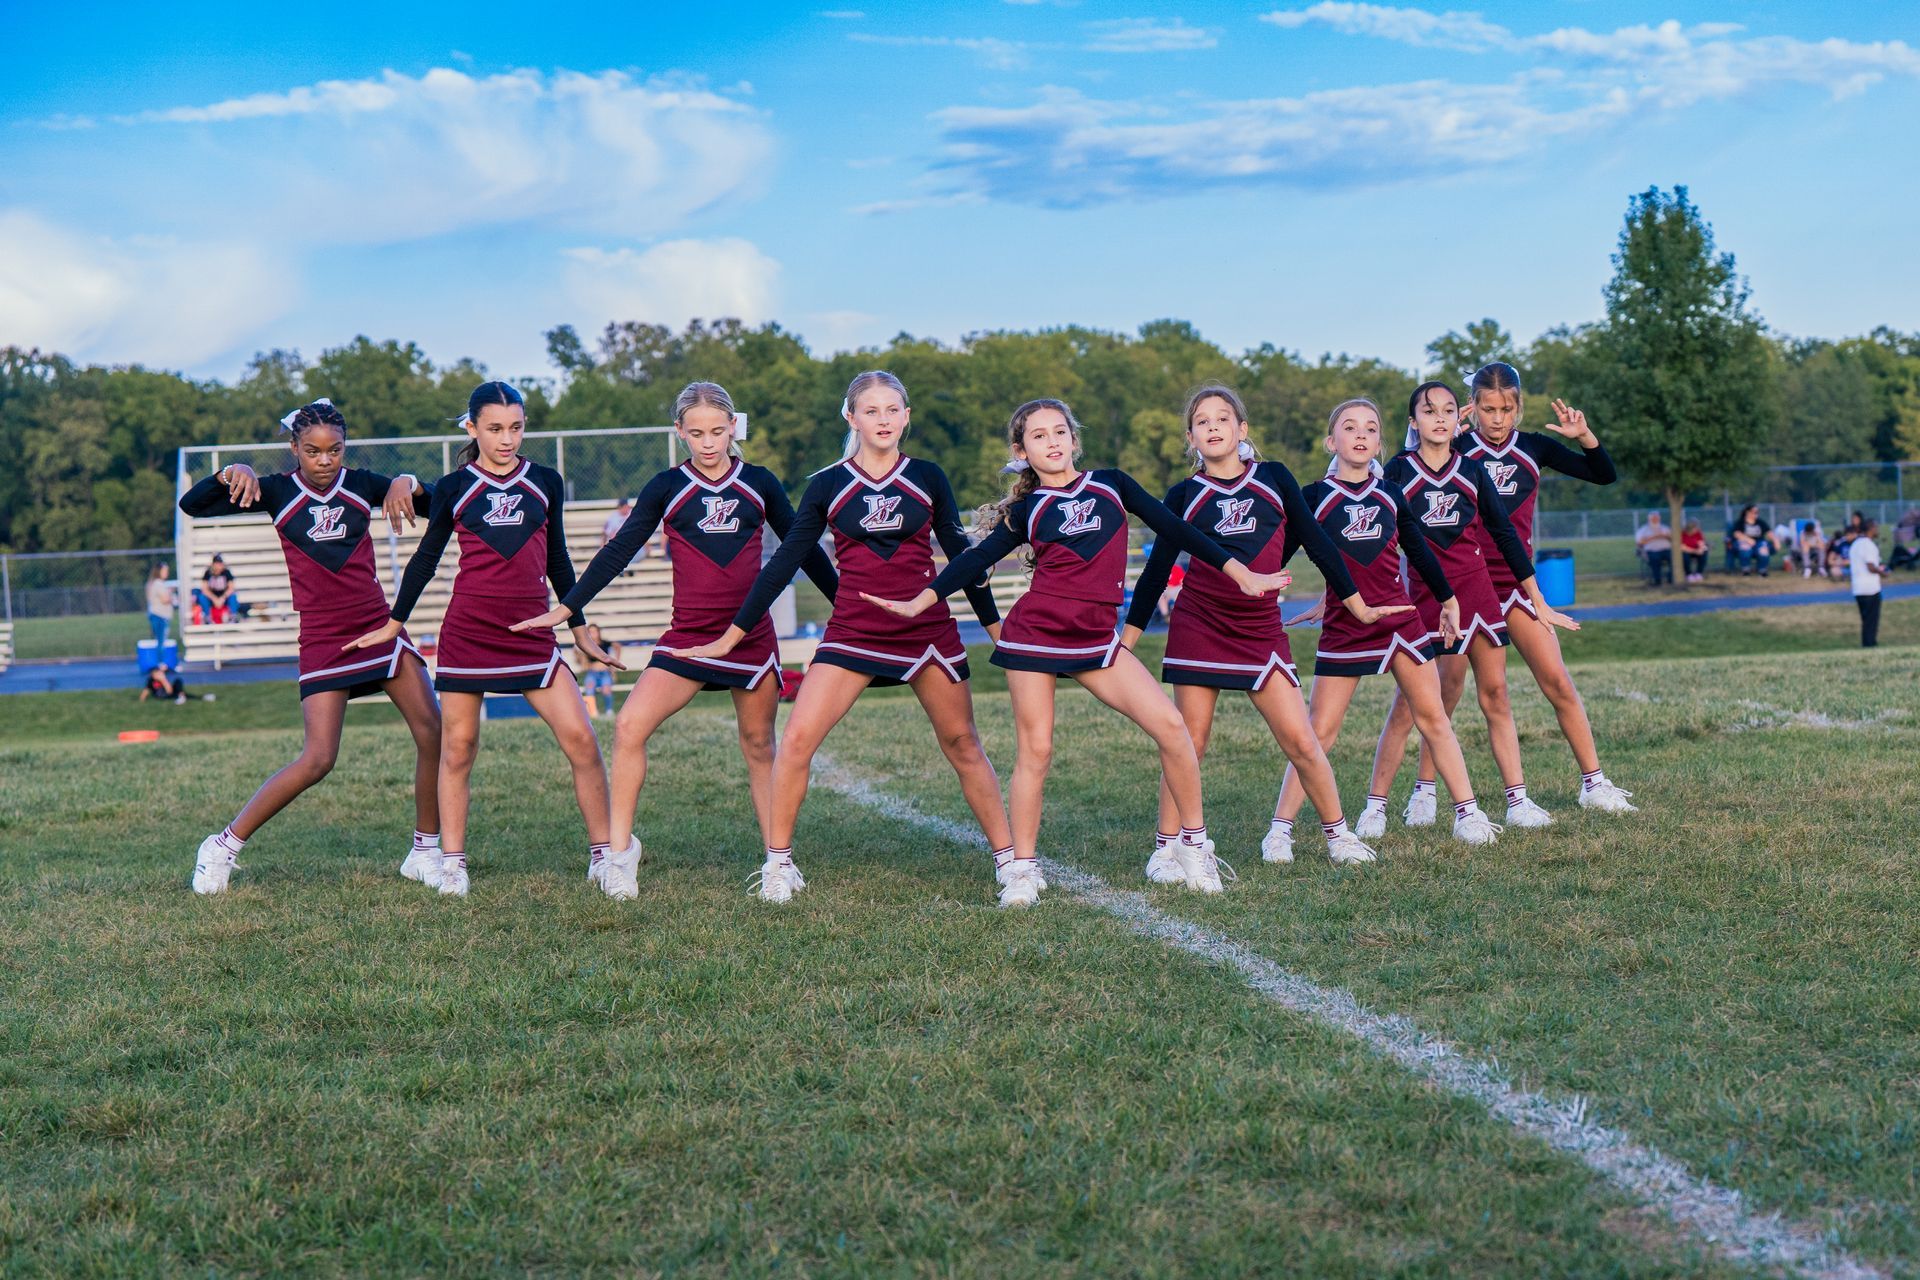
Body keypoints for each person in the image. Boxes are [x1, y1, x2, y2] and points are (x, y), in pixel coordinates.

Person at [860, 397, 1294, 897]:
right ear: (1021, 451)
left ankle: (1192, 849)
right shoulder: (1027, 508)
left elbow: (1177, 529)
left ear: (1073, 438)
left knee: (1173, 729)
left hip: (1095, 639)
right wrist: (925, 598)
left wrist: (1237, 570)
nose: (1052, 442)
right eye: (1039, 436)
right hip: (1036, 637)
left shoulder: (1113, 484)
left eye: (1059, 432)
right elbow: (975, 557)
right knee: (1036, 751)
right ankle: (1022, 871)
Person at [661, 371, 1024, 905]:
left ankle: (1011, 864)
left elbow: (963, 557)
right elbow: (786, 559)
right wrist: (732, 633)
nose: (883, 420)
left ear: (906, 416)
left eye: (892, 409)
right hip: (853, 631)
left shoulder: (927, 476)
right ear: (851, 418)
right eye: (870, 411)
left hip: (925, 632)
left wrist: (996, 632)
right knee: (799, 740)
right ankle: (778, 866)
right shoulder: (829, 484)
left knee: (963, 743)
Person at [511, 381, 840, 900]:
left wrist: (843, 602)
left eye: (717, 431)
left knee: (759, 745)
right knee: (629, 726)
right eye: (696, 433)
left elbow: (803, 549)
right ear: (679, 433)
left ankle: (779, 863)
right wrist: (569, 605)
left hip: (748, 637)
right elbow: (620, 550)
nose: (708, 443)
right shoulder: (667, 486)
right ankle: (620, 855)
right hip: (687, 638)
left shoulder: (759, 482)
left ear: (733, 428)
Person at [1121, 386, 1412, 873]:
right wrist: (1128, 640)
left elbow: (1318, 542)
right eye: (1202, 421)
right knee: (1188, 742)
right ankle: (1165, 849)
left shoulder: (1275, 478)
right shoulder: (1183, 495)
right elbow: (1156, 572)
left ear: (1242, 430)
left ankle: (1338, 835)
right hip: (1201, 623)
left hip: (1260, 629)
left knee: (1302, 740)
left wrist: (1356, 604)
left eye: (1223, 418)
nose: (1213, 427)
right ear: (1191, 436)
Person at [346, 381, 618, 898]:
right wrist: (393, 621)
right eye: (495, 428)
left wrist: (577, 626)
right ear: (472, 429)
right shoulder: (454, 487)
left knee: (582, 740)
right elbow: (425, 558)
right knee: (459, 747)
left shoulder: (546, 481)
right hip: (469, 635)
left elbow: (558, 557)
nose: (507, 438)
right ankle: (453, 863)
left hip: (532, 636)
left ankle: (604, 855)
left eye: (516, 427)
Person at [177, 398, 443, 894]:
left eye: (335, 450)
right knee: (319, 759)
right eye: (314, 451)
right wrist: (230, 472)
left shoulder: (363, 484)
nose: (325, 460)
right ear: (294, 448)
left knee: (433, 731)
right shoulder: (275, 491)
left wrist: (410, 480)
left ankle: (425, 850)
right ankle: (222, 846)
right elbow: (192, 505)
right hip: (323, 636)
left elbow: (435, 506)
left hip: (378, 628)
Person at [1273, 398, 1498, 854]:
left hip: (1401, 619)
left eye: (1371, 429)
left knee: (1433, 718)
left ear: (1380, 442)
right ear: (1330, 440)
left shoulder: (1392, 494)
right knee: (1319, 732)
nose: (1360, 435)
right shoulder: (1312, 497)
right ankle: (1279, 831)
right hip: (1345, 623)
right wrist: (1259, 583)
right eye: (1350, 427)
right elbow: (1276, 554)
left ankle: (1468, 814)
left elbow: (1419, 551)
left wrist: (1449, 601)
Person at [1361, 380, 1583, 837]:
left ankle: (1517, 800)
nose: (1439, 418)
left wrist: (1537, 601)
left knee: (1496, 695)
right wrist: (1348, 594)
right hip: (1425, 598)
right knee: (1412, 702)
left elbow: (1505, 536)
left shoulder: (1471, 468)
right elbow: (1370, 534)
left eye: (1447, 410)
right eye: (1428, 411)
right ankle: (1379, 806)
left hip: (1477, 594)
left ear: (1455, 418)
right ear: (1413, 422)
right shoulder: (1397, 471)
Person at [1450, 363, 1635, 814]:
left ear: (1518, 407)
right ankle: (1424, 792)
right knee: (1448, 695)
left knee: (1557, 681)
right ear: (1473, 408)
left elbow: (1603, 474)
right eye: (1488, 409)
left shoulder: (1533, 447)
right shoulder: (1454, 448)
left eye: (1507, 409)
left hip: (1518, 584)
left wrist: (1584, 436)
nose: (1497, 418)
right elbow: (1405, 480)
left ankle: (1594, 784)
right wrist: (1438, 434)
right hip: (1465, 585)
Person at [1850, 519, 1887, 647]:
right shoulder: (1868, 545)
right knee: (1871, 620)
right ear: (1870, 528)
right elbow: (1870, 566)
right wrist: (1882, 572)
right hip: (1870, 588)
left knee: (1866, 620)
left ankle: (1867, 644)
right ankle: (1870, 645)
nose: (1877, 530)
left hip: (1858, 588)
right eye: (1876, 527)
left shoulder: (1855, 544)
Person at [576, 624, 619, 717]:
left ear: (599, 632)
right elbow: (582, 663)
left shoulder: (604, 643)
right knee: (589, 689)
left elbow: (617, 646)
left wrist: (615, 663)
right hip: (592, 672)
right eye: (590, 632)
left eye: (595, 631)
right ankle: (593, 711)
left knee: (606, 690)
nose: (593, 634)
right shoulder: (586, 646)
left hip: (605, 672)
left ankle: (609, 710)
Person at [195, 553, 241, 623]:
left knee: (233, 596)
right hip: (212, 598)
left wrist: (222, 598)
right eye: (217, 564)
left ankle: (233, 617)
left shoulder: (226, 572)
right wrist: (214, 599)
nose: (219, 566)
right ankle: (208, 617)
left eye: (220, 564)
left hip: (224, 598)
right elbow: (204, 589)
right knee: (202, 597)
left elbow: (231, 588)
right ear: (213, 564)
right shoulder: (208, 573)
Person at [1729, 505, 1774, 576]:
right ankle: (1746, 570)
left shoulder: (1760, 522)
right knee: (1745, 547)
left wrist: (1776, 541)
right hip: (1743, 542)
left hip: (1758, 543)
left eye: (1757, 512)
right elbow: (1736, 534)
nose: (1756, 514)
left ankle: (1762, 570)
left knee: (1763, 550)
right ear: (1748, 512)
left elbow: (1769, 533)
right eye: (1754, 512)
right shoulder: (1740, 522)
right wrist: (1748, 539)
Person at [1634, 511, 1673, 586]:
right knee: (1655, 559)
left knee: (1675, 558)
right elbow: (1639, 543)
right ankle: (1657, 580)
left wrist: (1666, 536)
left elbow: (1673, 539)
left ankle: (1670, 578)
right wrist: (1654, 536)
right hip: (1652, 550)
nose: (1656, 519)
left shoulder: (1665, 528)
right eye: (1653, 518)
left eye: (1657, 517)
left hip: (1666, 549)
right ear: (1649, 519)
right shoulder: (1643, 530)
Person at [145, 563, 176, 650]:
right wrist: (171, 593)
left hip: (158, 615)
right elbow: (165, 599)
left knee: (160, 640)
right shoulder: (158, 583)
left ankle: (161, 661)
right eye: (164, 571)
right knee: (161, 640)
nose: (167, 573)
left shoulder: (155, 583)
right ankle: (161, 662)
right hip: (159, 615)